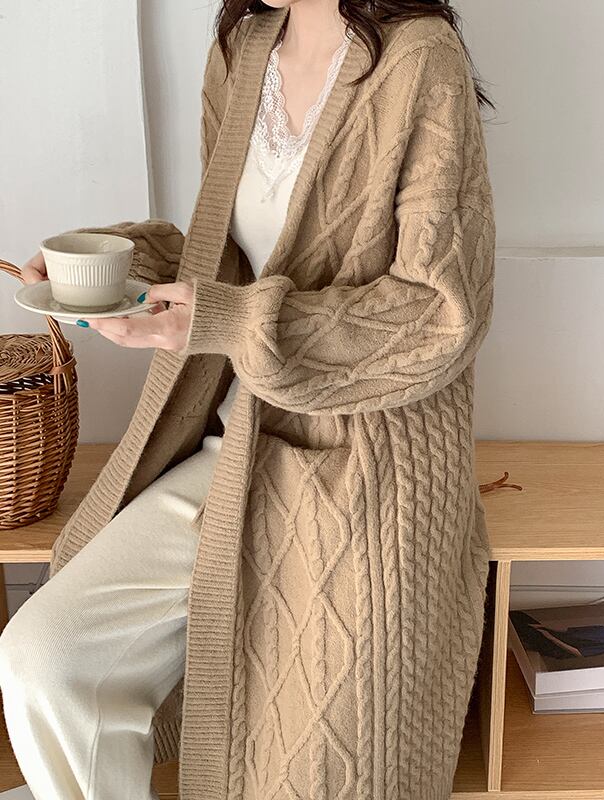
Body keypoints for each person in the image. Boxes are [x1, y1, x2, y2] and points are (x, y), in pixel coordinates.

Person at [0, 1, 496, 798]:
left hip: (364, 466)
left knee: (314, 762)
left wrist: (229, 321)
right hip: (232, 446)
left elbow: (441, 315)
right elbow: (229, 255)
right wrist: (112, 271)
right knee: (46, 660)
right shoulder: (243, 47)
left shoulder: (419, 59)